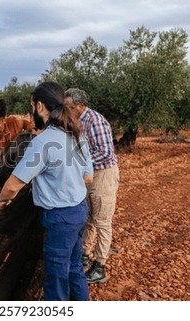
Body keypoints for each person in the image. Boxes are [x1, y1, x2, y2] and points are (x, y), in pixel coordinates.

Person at [0, 82, 93, 301]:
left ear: (39, 106)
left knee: (56, 278)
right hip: (79, 211)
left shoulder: (43, 142)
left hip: (59, 219)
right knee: (74, 269)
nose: (31, 112)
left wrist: (2, 201)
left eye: (32, 106)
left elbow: (13, 186)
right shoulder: (77, 134)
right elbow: (88, 177)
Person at [64, 88, 120, 284]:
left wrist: (78, 163)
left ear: (81, 106)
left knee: (102, 221)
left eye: (70, 107)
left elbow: (105, 152)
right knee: (88, 218)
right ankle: (85, 254)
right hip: (89, 175)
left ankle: (100, 266)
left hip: (103, 175)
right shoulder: (77, 120)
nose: (67, 110)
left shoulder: (95, 121)